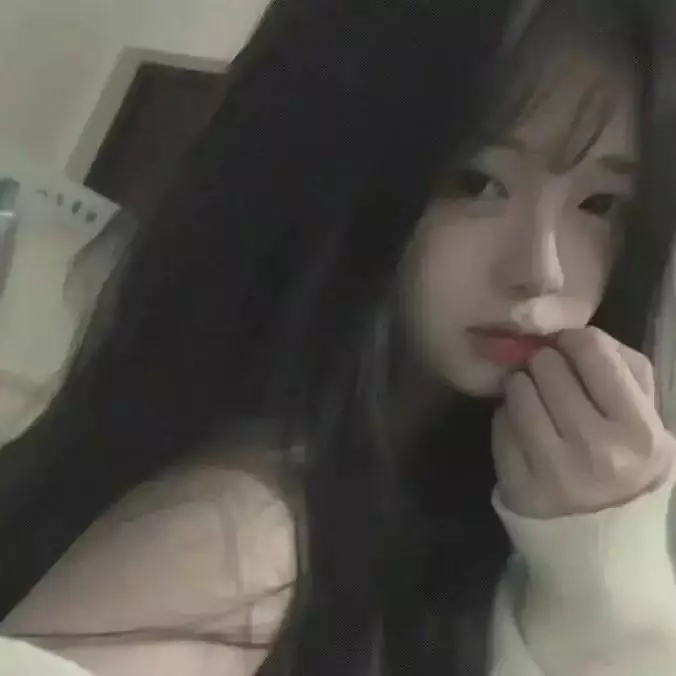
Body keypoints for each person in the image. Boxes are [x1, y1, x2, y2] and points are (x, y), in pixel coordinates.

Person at [2, 0, 676, 674]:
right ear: (334, 177)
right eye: (474, 183)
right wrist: (609, 581)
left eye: (600, 204)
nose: (542, 270)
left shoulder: (486, 493)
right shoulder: (242, 531)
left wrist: (604, 563)